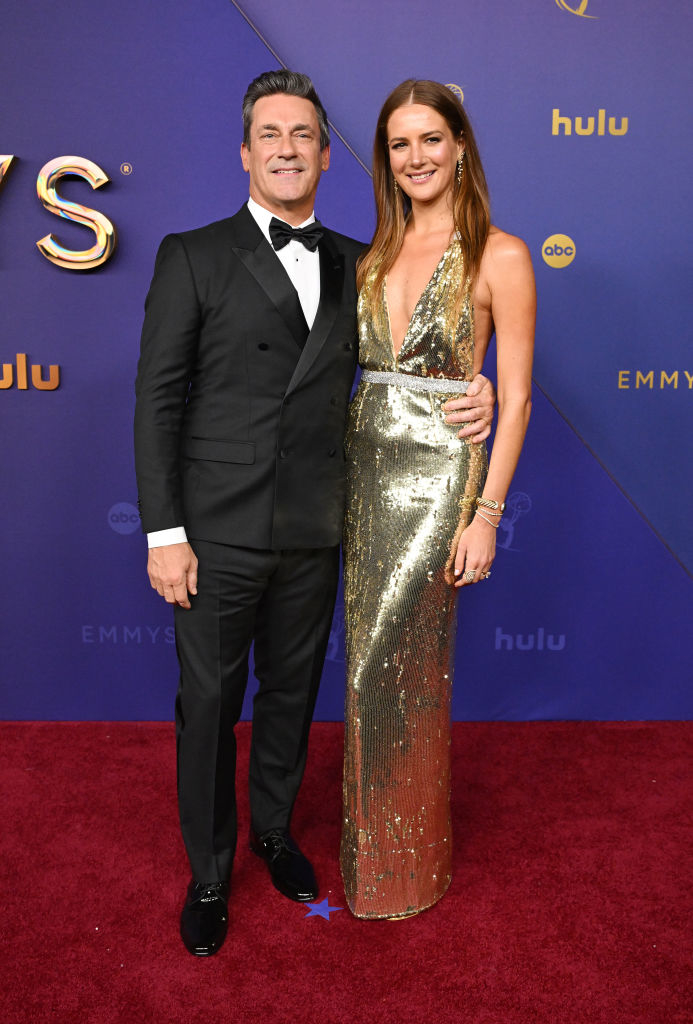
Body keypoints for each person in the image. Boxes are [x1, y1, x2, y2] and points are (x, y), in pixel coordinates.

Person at [134, 70, 496, 956]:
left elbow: (407, 358)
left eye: (303, 134)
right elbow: (157, 401)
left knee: (291, 695)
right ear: (245, 152)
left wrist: (474, 386)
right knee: (209, 705)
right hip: (214, 530)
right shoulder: (192, 253)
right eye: (270, 133)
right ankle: (210, 874)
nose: (287, 148)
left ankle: (272, 833)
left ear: (327, 155)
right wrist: (164, 532)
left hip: (314, 523)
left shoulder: (360, 260)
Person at [340, 79, 536, 919]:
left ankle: (409, 867)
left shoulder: (500, 254)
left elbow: (514, 398)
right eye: (398, 144)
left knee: (402, 669)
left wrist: (485, 514)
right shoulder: (371, 254)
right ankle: (372, 861)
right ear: (384, 158)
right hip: (361, 475)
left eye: (430, 139)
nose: (414, 157)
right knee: (363, 673)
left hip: (437, 484)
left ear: (459, 146)